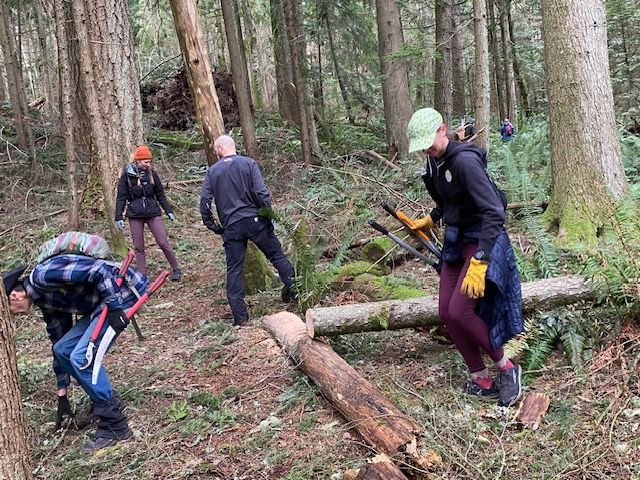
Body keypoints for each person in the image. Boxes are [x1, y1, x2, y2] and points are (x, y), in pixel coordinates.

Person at [406, 107, 524, 407]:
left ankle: (507, 366)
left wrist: (481, 259)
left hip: (482, 238)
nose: (427, 150)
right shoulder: (434, 163)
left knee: (461, 310)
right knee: (446, 312)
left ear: (442, 130)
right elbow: (450, 201)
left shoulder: (465, 162)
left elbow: (494, 212)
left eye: (429, 142)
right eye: (422, 146)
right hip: (456, 241)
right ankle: (480, 376)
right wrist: (431, 219)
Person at [3, 253, 149, 452]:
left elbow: (99, 271)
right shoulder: (45, 300)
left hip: (121, 291)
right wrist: (61, 392)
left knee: (81, 356)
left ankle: (115, 425)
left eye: (10, 310)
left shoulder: (43, 276)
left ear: (15, 295)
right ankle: (103, 401)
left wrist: (115, 307)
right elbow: (59, 341)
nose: (14, 315)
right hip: (104, 303)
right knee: (63, 350)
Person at [199, 135, 296, 326]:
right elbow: (261, 193)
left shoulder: (213, 171)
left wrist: (212, 225)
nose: (214, 153)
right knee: (277, 256)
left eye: (214, 150)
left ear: (220, 148)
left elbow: (204, 202)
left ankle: (241, 318)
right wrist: (268, 216)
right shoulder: (248, 164)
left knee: (234, 269)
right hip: (255, 220)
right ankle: (297, 291)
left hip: (231, 226)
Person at [115, 145, 182, 281]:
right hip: (135, 214)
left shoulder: (152, 174)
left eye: (149, 161)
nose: (148, 164)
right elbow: (121, 197)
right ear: (138, 161)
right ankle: (142, 276)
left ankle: (176, 269)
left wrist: (168, 211)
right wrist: (118, 216)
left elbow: (160, 194)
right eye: (145, 162)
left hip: (153, 212)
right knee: (139, 247)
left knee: (163, 242)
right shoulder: (126, 176)